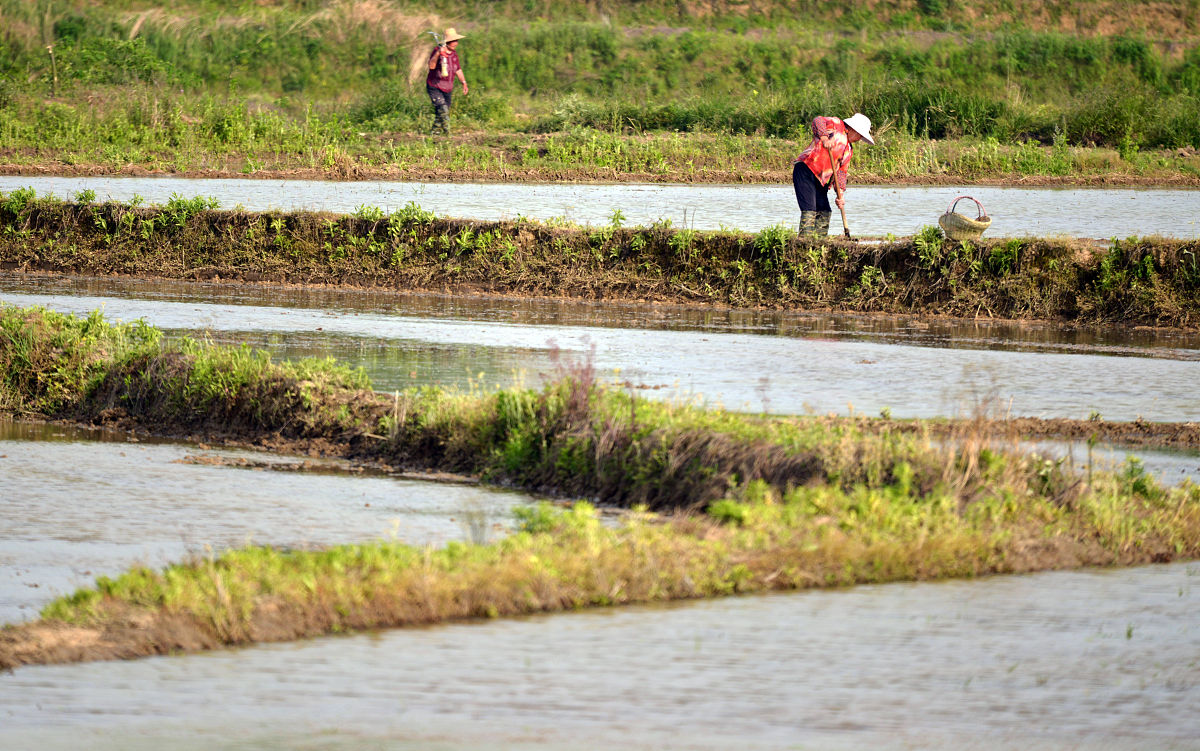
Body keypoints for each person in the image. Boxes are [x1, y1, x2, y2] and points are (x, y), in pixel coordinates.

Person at [792, 113, 874, 236]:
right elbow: (817, 120)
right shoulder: (836, 124)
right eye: (860, 136)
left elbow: (841, 173)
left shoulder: (848, 150)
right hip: (806, 169)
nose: (859, 139)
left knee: (825, 211)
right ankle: (804, 243)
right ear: (854, 130)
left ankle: (819, 243)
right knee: (809, 209)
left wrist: (840, 194)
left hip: (821, 179)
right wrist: (824, 138)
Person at [426, 28, 468, 136]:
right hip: (435, 86)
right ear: (447, 42)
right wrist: (438, 54)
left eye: (456, 41)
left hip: (447, 87)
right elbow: (431, 66)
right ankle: (448, 133)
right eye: (453, 41)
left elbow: (458, 69)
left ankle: (434, 133)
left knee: (441, 112)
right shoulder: (438, 50)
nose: (455, 43)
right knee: (443, 109)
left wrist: (463, 82)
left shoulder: (454, 54)